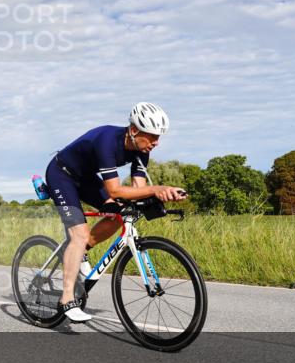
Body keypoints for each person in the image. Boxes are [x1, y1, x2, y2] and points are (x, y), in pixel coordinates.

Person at [45, 102, 188, 323]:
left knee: (118, 214)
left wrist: (162, 195)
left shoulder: (142, 151)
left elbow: (138, 190)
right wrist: (157, 189)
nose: (156, 143)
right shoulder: (107, 141)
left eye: (159, 137)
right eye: (152, 136)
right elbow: (114, 189)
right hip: (61, 175)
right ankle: (66, 299)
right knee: (79, 234)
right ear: (133, 131)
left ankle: (81, 250)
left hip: (86, 180)